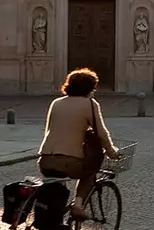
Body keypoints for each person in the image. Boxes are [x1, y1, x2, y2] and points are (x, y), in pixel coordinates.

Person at [38, 67, 121, 221]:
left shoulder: (56, 102)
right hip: (69, 161)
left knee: (54, 189)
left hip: (45, 159)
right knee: (90, 172)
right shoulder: (89, 104)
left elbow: (50, 129)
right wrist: (111, 152)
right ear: (90, 88)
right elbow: (101, 133)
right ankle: (78, 204)